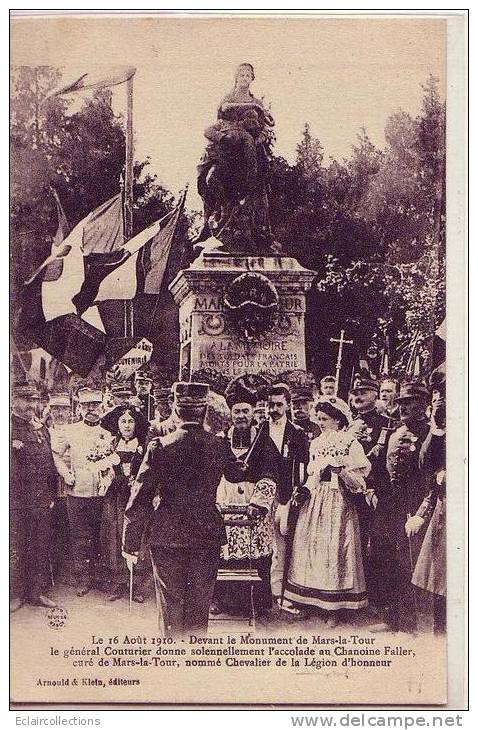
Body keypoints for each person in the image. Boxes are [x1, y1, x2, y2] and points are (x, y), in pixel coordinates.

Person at [123, 382, 231, 636]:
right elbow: (238, 474)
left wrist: (130, 544)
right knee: (199, 605)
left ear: (175, 409)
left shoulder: (160, 446)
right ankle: (194, 664)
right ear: (204, 410)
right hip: (206, 534)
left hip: (167, 534)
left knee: (170, 605)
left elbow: (140, 497)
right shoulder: (219, 446)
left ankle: (172, 662)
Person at [283, 397, 370, 627]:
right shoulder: (317, 443)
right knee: (311, 549)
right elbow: (313, 475)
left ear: (338, 419)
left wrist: (341, 470)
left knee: (334, 550)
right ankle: (310, 601)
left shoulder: (351, 443)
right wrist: (303, 490)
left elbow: (360, 483)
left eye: (325, 419)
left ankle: (335, 608)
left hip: (338, 501)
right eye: (319, 418)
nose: (321, 423)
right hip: (316, 500)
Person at [213, 379, 278, 616]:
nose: (241, 415)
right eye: (237, 411)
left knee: (256, 552)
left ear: (253, 413)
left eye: (245, 411)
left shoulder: (264, 441)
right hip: (226, 499)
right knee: (225, 550)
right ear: (230, 413)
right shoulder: (220, 440)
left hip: (253, 503)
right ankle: (223, 601)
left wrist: (259, 502)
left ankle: (258, 604)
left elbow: (271, 472)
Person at [195, 63, 276, 252]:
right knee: (209, 176)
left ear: (252, 78)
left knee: (258, 179)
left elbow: (264, 127)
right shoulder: (229, 100)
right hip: (226, 151)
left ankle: (256, 227)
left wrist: (258, 139)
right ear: (236, 77)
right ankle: (217, 212)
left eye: (248, 74)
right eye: (241, 74)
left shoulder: (256, 104)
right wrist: (224, 137)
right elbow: (222, 111)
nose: (244, 77)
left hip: (247, 150)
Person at [379, 380, 432, 633]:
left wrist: (420, 510)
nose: (403, 408)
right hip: (392, 506)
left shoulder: (430, 434)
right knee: (391, 561)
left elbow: (430, 475)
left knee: (411, 564)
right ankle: (393, 620)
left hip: (417, 506)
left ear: (422, 405)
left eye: (409, 403)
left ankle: (411, 626)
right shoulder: (395, 433)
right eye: (400, 403)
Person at [59, 387, 113, 596]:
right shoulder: (70, 431)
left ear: (101, 407)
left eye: (95, 405)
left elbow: (110, 462)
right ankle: (82, 579)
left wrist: (108, 478)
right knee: (80, 537)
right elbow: (57, 454)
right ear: (79, 407)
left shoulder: (108, 433)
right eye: (86, 405)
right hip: (77, 492)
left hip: (100, 494)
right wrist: (66, 473)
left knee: (101, 536)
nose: (91, 409)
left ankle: (98, 578)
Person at [405, 365, 446, 633]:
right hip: (446, 512)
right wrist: (438, 427)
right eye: (436, 399)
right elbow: (426, 464)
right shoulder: (441, 427)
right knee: (443, 586)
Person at [10, 383, 58, 610]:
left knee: (40, 545)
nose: (32, 405)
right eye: (26, 400)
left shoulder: (40, 429)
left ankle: (36, 592)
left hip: (39, 500)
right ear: (13, 401)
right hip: (14, 501)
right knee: (15, 547)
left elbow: (49, 465)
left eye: (35, 400)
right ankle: (14, 594)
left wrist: (50, 495)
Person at [262, 383, 309, 609]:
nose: (274, 409)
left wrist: (296, 492)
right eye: (270, 405)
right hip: (263, 495)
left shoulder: (297, 433)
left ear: (288, 405)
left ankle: (283, 594)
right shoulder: (259, 430)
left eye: (279, 405)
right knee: (264, 544)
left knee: (283, 544)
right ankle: (265, 594)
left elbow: (303, 467)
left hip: (286, 494)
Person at [348, 373, 393, 610]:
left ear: (376, 395)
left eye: (363, 392)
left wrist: (372, 488)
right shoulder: (349, 422)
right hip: (352, 492)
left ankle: (378, 600)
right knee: (352, 543)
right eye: (355, 393)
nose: (357, 396)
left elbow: (384, 459)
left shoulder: (386, 423)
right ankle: (357, 596)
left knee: (376, 544)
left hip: (376, 492)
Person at [99, 405, 150, 602]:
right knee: (115, 534)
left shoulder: (144, 445)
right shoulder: (110, 445)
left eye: (130, 421)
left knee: (136, 535)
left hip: (137, 497)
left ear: (136, 425)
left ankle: (136, 585)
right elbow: (103, 470)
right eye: (123, 422)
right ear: (117, 425)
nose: (127, 425)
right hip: (116, 496)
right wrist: (106, 473)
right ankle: (119, 582)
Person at [48, 393, 74, 586]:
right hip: (51, 483)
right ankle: (56, 571)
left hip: (72, 482)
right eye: (55, 409)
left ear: (69, 411)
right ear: (50, 411)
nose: (59, 413)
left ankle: (70, 570)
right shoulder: (44, 431)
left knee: (72, 524)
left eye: (63, 409)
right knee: (55, 526)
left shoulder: (75, 430)